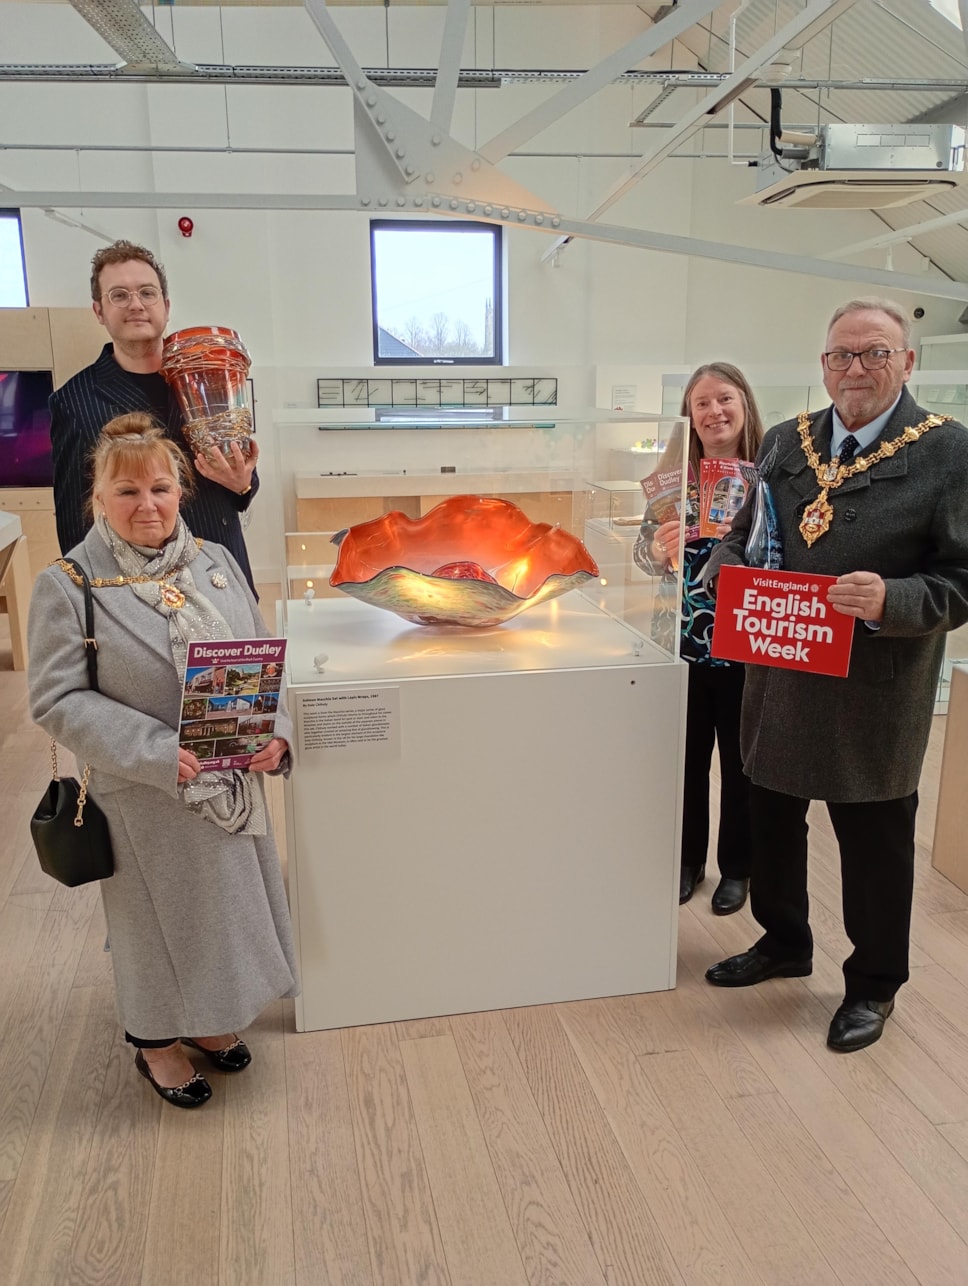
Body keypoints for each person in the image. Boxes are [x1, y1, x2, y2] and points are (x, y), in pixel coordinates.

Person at [704, 298, 968, 1053]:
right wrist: (718, 571)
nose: (855, 369)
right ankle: (784, 941)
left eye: (875, 354)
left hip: (873, 688)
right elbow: (747, 535)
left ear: (908, 362)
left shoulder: (951, 453)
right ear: (822, 364)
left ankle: (875, 983)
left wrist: (896, 599)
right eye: (841, 356)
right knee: (772, 822)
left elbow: (963, 576)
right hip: (781, 676)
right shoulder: (788, 439)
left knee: (875, 843)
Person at [28, 413, 298, 1108]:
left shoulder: (214, 561)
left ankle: (209, 1020)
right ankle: (155, 1043)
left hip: (228, 781)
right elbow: (56, 700)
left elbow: (262, 656)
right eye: (127, 492)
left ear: (181, 490)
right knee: (155, 924)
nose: (147, 505)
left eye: (160, 488)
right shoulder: (68, 586)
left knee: (223, 910)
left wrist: (278, 733)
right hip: (144, 792)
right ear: (97, 498)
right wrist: (155, 751)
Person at [49, 239, 260, 592]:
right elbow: (76, 521)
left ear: (165, 304)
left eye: (147, 293)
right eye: (119, 295)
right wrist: (91, 601)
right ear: (99, 310)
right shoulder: (74, 402)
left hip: (223, 577)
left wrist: (243, 484)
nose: (136, 305)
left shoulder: (210, 377)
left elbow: (242, 480)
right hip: (140, 595)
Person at [634, 363, 765, 914]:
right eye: (701, 404)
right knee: (684, 761)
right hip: (680, 645)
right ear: (689, 416)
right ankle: (686, 860)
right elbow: (641, 559)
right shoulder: (672, 479)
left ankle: (738, 868)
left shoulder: (772, 478)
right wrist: (658, 551)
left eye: (724, 399)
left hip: (745, 648)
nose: (714, 412)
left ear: (744, 404)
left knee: (742, 767)